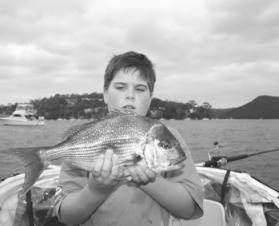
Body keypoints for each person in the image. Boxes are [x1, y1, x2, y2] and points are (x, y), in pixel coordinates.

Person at [54, 51, 204, 226]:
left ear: (150, 98)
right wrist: (96, 191)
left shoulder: (167, 135)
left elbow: (190, 209)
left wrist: (151, 182)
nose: (130, 95)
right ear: (105, 94)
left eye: (140, 89)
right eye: (120, 87)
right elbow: (66, 217)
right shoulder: (85, 139)